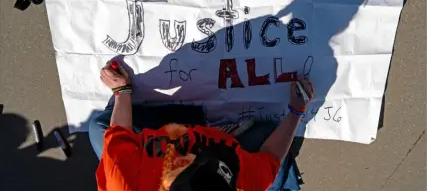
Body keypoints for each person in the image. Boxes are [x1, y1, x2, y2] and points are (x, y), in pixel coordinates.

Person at [91, 62, 314, 191]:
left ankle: (190, 120)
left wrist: (122, 91)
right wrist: (297, 111)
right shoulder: (245, 183)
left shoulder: (123, 180)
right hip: (228, 149)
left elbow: (119, 134)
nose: (202, 156)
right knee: (269, 137)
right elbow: (271, 155)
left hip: (155, 145)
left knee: (100, 126)